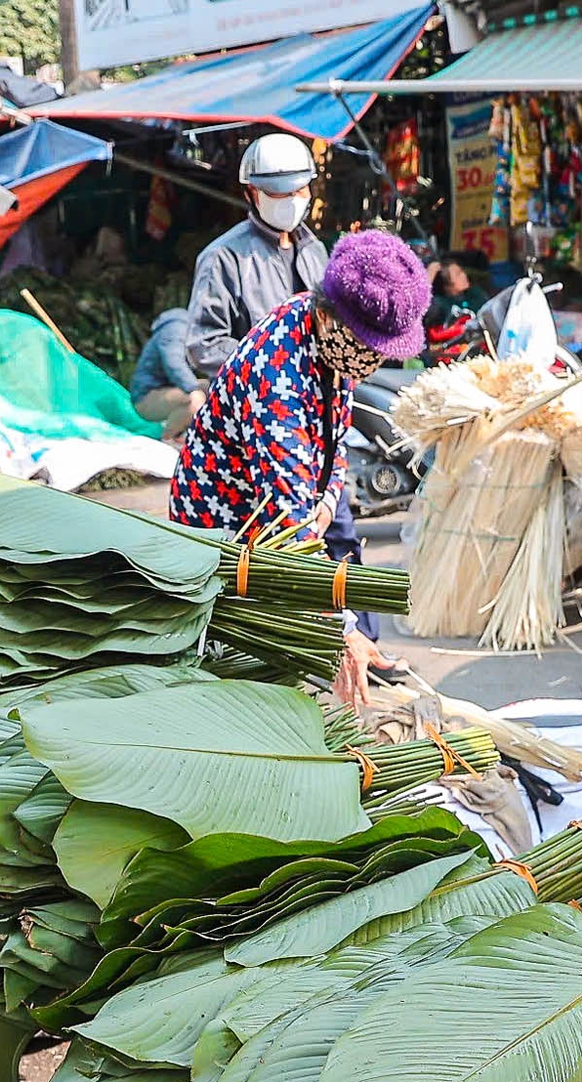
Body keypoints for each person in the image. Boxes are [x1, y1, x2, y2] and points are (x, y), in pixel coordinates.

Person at [169, 230, 428, 691]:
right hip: (231, 540)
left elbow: (335, 440)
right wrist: (341, 628)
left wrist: (328, 500)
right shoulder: (278, 376)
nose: (375, 364)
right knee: (248, 683)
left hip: (288, 517)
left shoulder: (331, 345)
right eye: (371, 351)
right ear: (330, 320)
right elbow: (289, 528)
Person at [185, 133, 331, 381]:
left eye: (300, 190)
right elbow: (203, 345)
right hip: (253, 403)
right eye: (279, 193)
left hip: (313, 396)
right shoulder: (224, 258)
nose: (293, 200)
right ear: (251, 193)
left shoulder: (314, 250)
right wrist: (270, 362)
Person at [129, 306, 203, 440]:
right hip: (146, 399)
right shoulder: (176, 328)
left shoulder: (192, 328)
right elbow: (174, 363)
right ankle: (169, 439)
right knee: (194, 399)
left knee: (212, 388)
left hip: (167, 392)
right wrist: (193, 389)